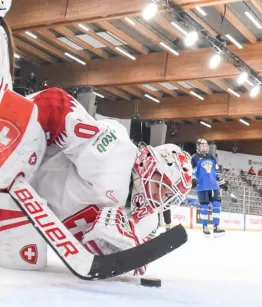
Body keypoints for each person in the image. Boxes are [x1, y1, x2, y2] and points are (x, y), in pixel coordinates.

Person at [0, 88, 193, 273]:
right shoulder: (117, 153)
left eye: (169, 198)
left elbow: (98, 263)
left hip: (18, 210)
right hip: (20, 173)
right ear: (149, 166)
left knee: (24, 261)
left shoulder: (146, 223)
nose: (161, 200)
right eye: (164, 189)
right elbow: (54, 102)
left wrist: (117, 257)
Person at [192, 139, 226, 238]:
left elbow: (216, 172)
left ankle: (216, 227)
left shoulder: (212, 157)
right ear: (198, 147)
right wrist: (193, 179)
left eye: (206, 146)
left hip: (213, 186)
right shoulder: (194, 158)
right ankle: (205, 228)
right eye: (202, 146)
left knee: (217, 204)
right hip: (201, 186)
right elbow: (192, 171)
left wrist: (221, 181)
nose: (205, 148)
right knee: (204, 206)